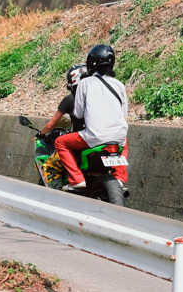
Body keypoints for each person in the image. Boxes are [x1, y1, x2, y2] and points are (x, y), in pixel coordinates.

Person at [55, 44, 129, 190]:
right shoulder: (120, 85)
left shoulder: (85, 83)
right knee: (124, 142)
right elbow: (123, 114)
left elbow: (78, 113)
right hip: (118, 136)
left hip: (93, 136)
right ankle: (120, 177)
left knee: (60, 142)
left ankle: (76, 179)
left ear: (90, 64)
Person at [38, 64, 88, 136]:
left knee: (59, 142)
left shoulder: (69, 99)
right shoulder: (98, 96)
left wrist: (41, 133)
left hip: (82, 138)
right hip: (104, 137)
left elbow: (50, 125)